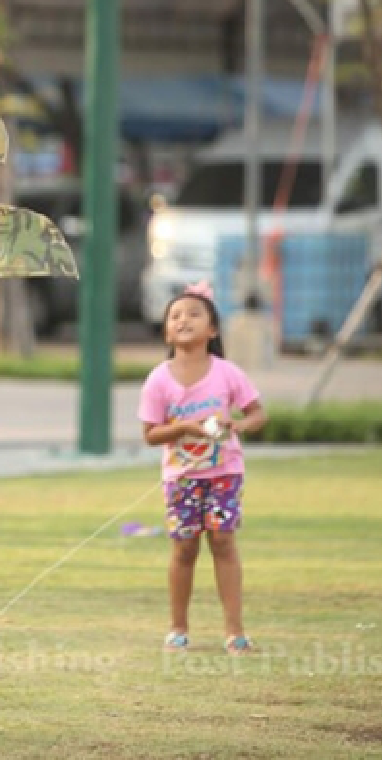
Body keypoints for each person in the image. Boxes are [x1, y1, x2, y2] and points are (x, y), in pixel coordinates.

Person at [137, 281, 268, 656]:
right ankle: (178, 628)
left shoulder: (227, 373)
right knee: (184, 548)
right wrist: (184, 428)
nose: (183, 320)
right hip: (181, 477)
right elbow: (150, 434)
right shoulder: (158, 379)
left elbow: (258, 414)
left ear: (212, 330)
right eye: (175, 315)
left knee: (223, 542)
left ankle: (235, 632)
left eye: (194, 314)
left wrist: (238, 426)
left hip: (225, 472)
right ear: (166, 330)